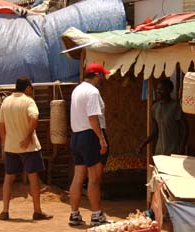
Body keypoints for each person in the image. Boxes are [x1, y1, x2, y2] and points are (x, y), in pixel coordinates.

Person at [0, 77, 52, 221]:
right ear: (27, 87)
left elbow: (1, 125)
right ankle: (37, 211)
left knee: (8, 179)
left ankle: (4, 211)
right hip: (29, 148)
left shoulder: (6, 102)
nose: (32, 90)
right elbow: (34, 118)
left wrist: (5, 143)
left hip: (11, 147)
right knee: (33, 178)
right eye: (31, 88)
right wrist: (28, 137)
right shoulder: (28, 101)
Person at [68, 63, 111, 227]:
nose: (104, 79)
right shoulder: (93, 92)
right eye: (103, 75)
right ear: (97, 75)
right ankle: (96, 215)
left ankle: (74, 214)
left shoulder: (77, 90)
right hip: (90, 135)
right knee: (94, 179)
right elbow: (93, 117)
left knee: (78, 177)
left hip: (77, 136)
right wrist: (101, 138)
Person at [137, 78, 188, 156]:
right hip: (160, 150)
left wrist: (182, 147)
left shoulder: (175, 106)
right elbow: (155, 130)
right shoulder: (155, 108)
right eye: (157, 89)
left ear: (169, 90)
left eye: (161, 89)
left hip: (174, 150)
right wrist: (143, 144)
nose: (158, 91)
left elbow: (185, 129)